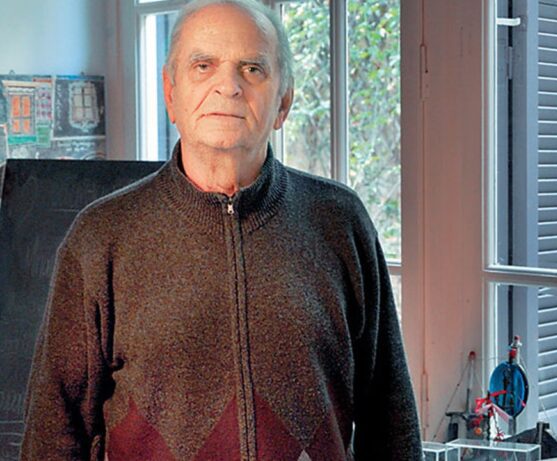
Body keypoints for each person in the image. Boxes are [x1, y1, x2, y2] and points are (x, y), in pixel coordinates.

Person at [20, 0, 421, 459]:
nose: (228, 86)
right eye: (203, 65)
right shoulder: (102, 237)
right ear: (170, 93)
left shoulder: (340, 222)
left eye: (252, 69)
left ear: (283, 102)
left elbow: (391, 422)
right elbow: (54, 431)